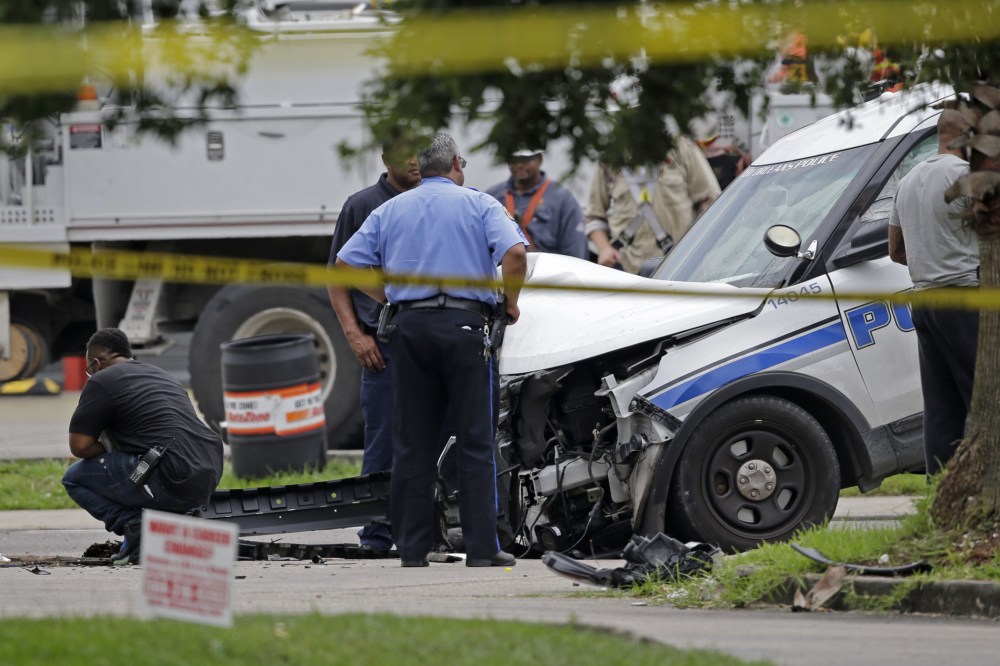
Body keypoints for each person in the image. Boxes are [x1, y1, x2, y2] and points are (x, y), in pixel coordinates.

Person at [336, 132, 528, 568]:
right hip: (464, 327)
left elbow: (346, 264)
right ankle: (482, 550)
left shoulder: (391, 209)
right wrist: (510, 302)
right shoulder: (480, 204)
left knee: (411, 441)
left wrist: (388, 299)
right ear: (457, 163)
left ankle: (413, 549)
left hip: (410, 329)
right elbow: (515, 254)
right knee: (475, 439)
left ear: (424, 167)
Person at [327, 143, 421, 553]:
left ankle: (422, 529)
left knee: (431, 439)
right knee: (383, 441)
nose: (415, 161)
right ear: (386, 160)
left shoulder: (433, 200)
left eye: (421, 153)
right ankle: (377, 534)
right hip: (383, 346)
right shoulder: (362, 205)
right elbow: (336, 276)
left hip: (430, 343)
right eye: (405, 154)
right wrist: (354, 334)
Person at [62, 328, 224, 564]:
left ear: (96, 363)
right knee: (146, 463)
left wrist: (112, 449)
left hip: (168, 473)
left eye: (89, 370)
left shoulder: (102, 380)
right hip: (207, 476)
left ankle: (133, 524)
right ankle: (179, 518)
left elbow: (80, 446)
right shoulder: (163, 376)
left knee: (74, 478)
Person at [888, 112, 977, 476]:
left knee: (941, 407)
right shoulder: (963, 177)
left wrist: (933, 253)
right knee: (984, 395)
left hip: (924, 301)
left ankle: (939, 486)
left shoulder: (907, 182)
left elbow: (895, 251)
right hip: (963, 298)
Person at [585, 136, 721, 274]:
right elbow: (594, 216)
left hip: (683, 267)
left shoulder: (681, 148)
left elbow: (711, 202)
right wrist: (604, 249)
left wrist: (698, 248)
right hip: (628, 270)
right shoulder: (611, 157)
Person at [485, 149, 587, 259]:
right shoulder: (492, 197)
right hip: (501, 271)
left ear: (540, 159)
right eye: (514, 160)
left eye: (526, 159)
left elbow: (575, 253)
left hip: (548, 272)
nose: (519, 165)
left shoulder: (563, 199)